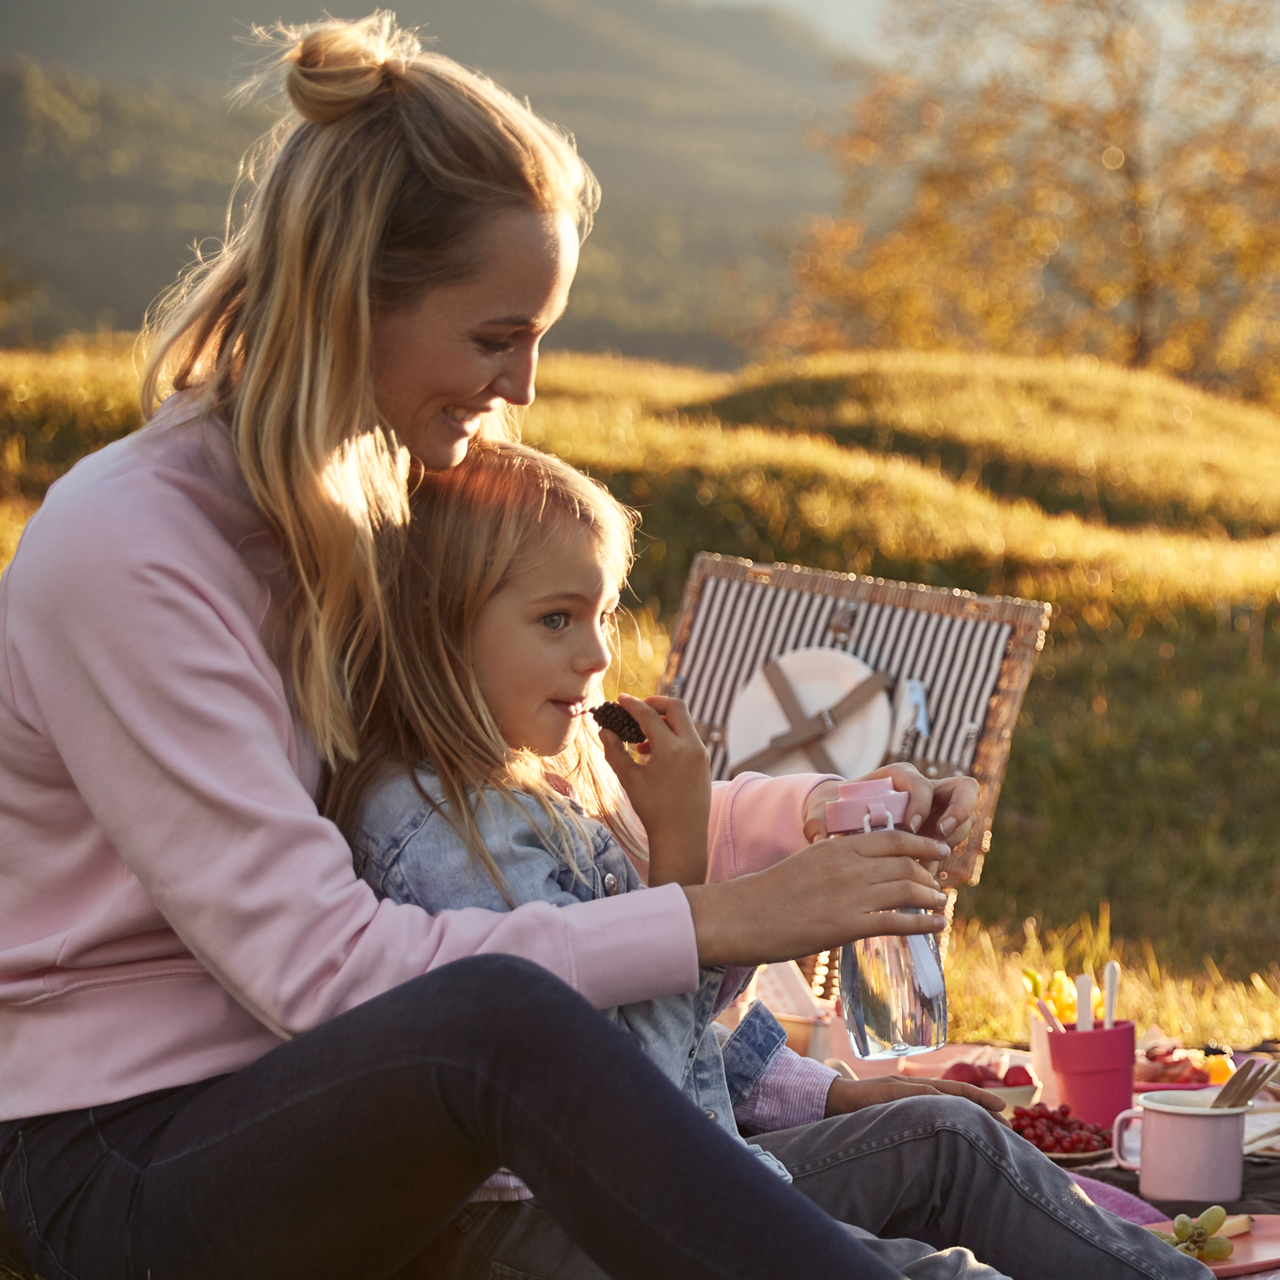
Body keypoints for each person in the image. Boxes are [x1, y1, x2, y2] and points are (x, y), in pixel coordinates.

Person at [0, 15, 975, 1280]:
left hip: (344, 1108)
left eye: (539, 333)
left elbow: (519, 817)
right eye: (492, 335)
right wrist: (716, 919)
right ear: (356, 299)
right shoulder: (132, 548)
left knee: (934, 1144)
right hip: (121, 1157)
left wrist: (822, 822)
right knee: (500, 1023)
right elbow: (332, 973)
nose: (521, 383)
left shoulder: (365, 507)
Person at [324, 439, 1214, 1280]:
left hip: (681, 1172)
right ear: (437, 632)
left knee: (945, 1137)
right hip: (554, 1226)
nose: (596, 655)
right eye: (556, 620)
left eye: (602, 615)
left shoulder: (539, 787)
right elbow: (621, 1082)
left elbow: (682, 1038)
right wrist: (678, 854)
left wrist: (822, 1098)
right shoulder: (441, 832)